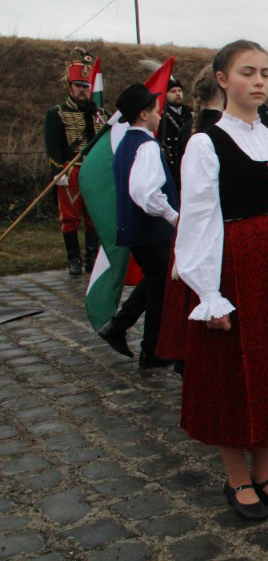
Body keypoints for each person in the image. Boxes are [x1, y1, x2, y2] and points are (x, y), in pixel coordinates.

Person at [175, 40, 268, 521]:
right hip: (235, 266)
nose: (259, 81)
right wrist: (209, 293)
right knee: (237, 371)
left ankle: (265, 472)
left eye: (265, 73)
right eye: (247, 72)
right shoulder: (206, 143)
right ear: (222, 79)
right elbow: (199, 219)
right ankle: (237, 477)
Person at [95, 83, 179, 370]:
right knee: (160, 288)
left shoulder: (125, 144)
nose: (160, 114)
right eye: (156, 110)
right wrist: (173, 216)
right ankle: (151, 350)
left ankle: (117, 326)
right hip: (151, 229)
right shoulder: (146, 145)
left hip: (138, 230)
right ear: (143, 114)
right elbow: (145, 192)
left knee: (155, 280)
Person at [43, 50, 108, 275]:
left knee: (93, 217)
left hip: (94, 172)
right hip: (70, 171)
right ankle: (73, 259)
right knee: (69, 218)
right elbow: (53, 145)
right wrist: (57, 170)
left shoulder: (101, 115)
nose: (83, 90)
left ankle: (91, 257)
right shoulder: (57, 113)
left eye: (86, 86)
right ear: (70, 87)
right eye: (78, 85)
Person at [156, 75, 192, 190]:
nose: (177, 94)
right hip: (172, 165)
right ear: (166, 94)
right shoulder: (161, 116)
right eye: (173, 91)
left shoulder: (190, 112)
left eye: (179, 91)